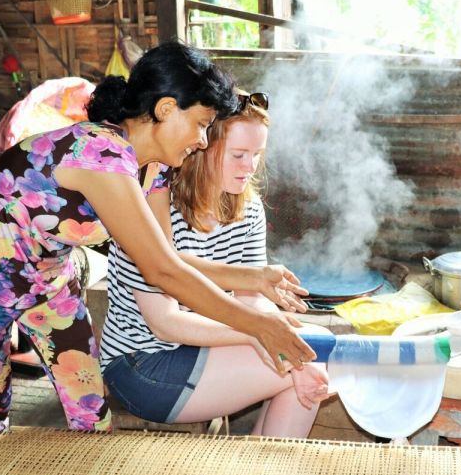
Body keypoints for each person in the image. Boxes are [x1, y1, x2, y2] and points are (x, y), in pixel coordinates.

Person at [0, 42, 316, 433]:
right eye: (201, 124)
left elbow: (166, 257)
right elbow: (161, 273)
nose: (203, 140)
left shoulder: (158, 168)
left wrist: (255, 278)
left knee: (91, 410)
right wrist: (258, 325)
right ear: (166, 109)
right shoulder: (101, 153)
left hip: (48, 280)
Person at [100, 92, 331, 435]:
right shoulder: (154, 205)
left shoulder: (247, 209)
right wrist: (261, 335)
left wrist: (273, 337)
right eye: (238, 155)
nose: (250, 167)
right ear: (201, 146)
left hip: (203, 351)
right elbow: (166, 324)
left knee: (313, 347)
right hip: (144, 363)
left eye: (257, 155)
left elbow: (251, 298)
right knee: (310, 359)